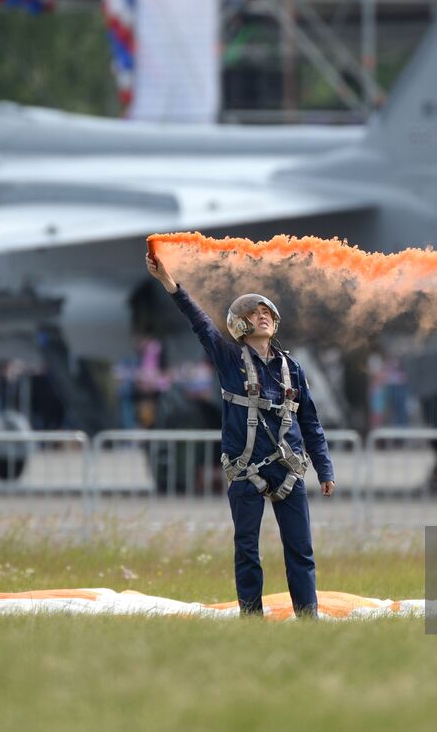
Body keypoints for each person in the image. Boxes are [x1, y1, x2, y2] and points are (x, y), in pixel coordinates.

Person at [146, 251, 335, 618]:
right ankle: (251, 619)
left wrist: (325, 470)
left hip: (289, 471)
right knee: (247, 548)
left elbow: (310, 422)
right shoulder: (229, 359)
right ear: (240, 325)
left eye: (266, 312)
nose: (262, 315)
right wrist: (170, 284)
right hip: (245, 470)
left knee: (300, 548)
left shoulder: (292, 368)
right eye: (253, 313)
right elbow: (199, 323)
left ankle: (308, 619)